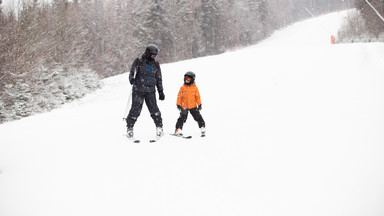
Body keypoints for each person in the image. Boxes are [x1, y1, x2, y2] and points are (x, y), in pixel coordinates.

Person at [126, 44, 165, 138]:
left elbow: (158, 78)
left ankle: (159, 127)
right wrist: (132, 79)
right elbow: (132, 72)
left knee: (154, 110)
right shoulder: (139, 61)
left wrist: (160, 91)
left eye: (156, 56)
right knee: (135, 110)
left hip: (150, 91)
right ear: (148, 53)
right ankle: (129, 128)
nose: (154, 57)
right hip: (138, 90)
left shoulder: (156, 64)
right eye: (153, 55)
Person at [175, 71, 206, 136]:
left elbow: (197, 97)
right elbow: (179, 96)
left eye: (188, 79)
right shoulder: (182, 87)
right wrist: (178, 104)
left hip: (193, 106)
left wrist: (199, 104)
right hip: (184, 106)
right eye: (185, 79)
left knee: (198, 117)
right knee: (182, 118)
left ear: (192, 80)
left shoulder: (195, 88)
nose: (186, 80)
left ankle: (202, 127)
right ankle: (178, 129)